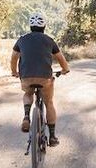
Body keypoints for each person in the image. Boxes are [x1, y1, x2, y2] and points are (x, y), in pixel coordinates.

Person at [10, 13, 70, 147]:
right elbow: (61, 59)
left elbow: (14, 57)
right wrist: (65, 69)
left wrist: (14, 72)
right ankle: (53, 137)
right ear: (44, 26)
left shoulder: (22, 39)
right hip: (45, 78)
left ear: (30, 26)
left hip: (26, 76)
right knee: (49, 102)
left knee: (28, 93)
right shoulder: (49, 40)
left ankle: (26, 116)